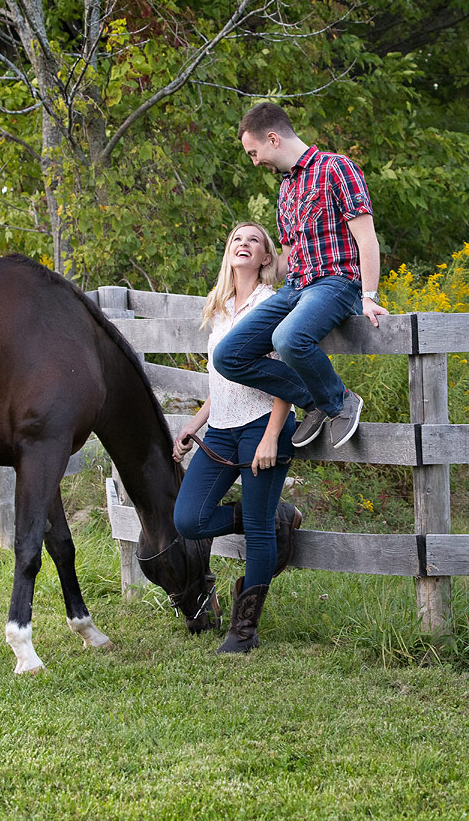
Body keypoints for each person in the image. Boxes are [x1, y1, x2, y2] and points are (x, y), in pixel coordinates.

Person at [213, 102, 388, 450]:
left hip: (336, 283)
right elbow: (290, 253)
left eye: (253, 152)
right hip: (295, 287)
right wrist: (247, 271)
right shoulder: (286, 189)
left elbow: (366, 238)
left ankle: (340, 401)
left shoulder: (336, 168)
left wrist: (370, 296)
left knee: (289, 338)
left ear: (273, 139)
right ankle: (317, 402)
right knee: (228, 355)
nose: (254, 161)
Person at [172, 221, 304, 655]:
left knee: (259, 531)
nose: (243, 244)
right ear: (228, 253)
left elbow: (286, 374)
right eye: (236, 240)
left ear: (267, 258)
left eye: (254, 241)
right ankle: (274, 514)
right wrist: (196, 421)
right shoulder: (221, 307)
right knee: (189, 519)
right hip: (223, 429)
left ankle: (244, 631)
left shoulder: (272, 304)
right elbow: (221, 380)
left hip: (264, 422)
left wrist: (270, 436)